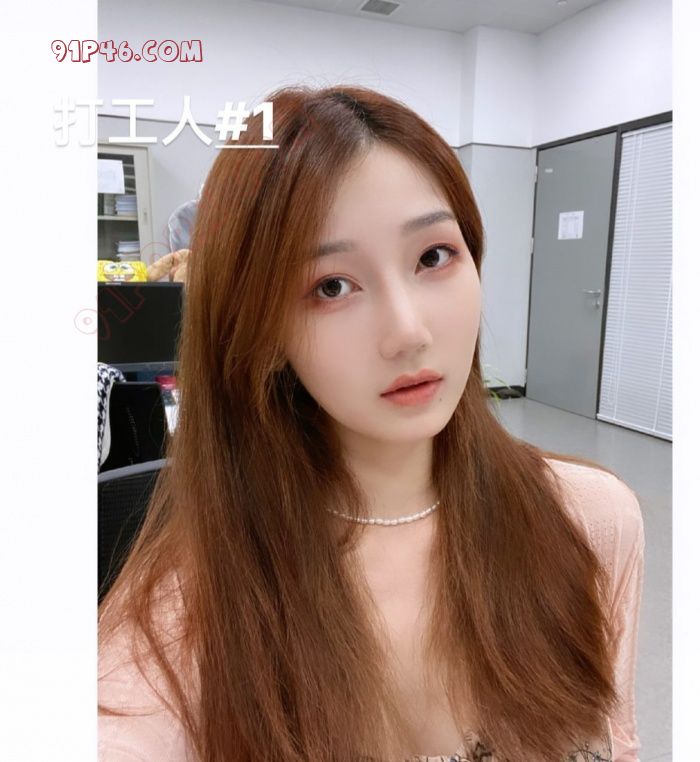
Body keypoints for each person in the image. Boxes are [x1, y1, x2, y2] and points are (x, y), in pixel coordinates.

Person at [98, 85, 645, 762]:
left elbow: (616, 741)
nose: (408, 332)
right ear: (260, 330)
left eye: (433, 256)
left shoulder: (591, 524)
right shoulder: (187, 618)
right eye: (331, 286)